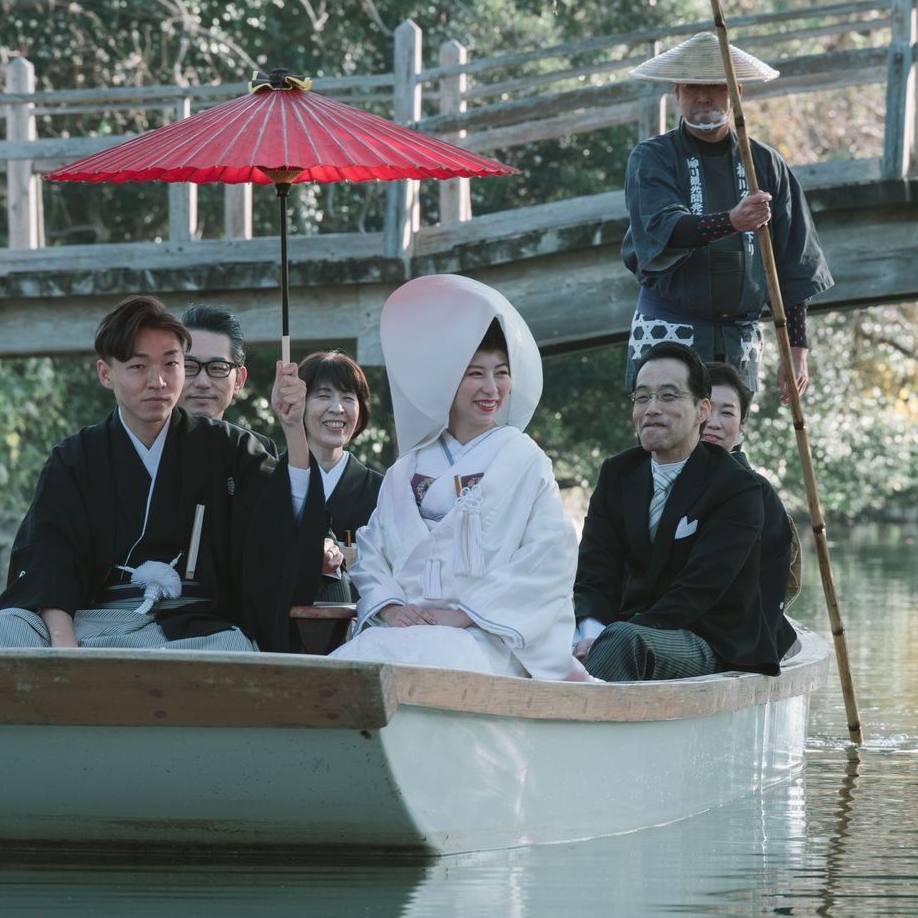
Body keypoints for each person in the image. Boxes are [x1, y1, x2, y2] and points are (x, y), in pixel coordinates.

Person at [0, 294, 323, 653]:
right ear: (106, 373)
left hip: (194, 630)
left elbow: (280, 526)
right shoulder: (75, 459)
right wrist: (64, 645)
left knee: (232, 647)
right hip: (92, 623)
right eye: (139, 367)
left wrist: (293, 428)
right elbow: (48, 560)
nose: (158, 381)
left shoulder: (230, 448)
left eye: (171, 364)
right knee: (3, 626)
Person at [330, 274, 588, 681]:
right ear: (447, 378)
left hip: (488, 635)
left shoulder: (524, 459)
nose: (492, 388)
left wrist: (466, 614)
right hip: (405, 630)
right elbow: (373, 553)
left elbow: (548, 558)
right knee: (351, 665)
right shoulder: (405, 469)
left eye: (501, 372)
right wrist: (392, 608)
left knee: (428, 663)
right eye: (475, 373)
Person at [622, 32, 833, 401]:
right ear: (677, 94)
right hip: (668, 328)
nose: (703, 98)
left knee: (727, 433)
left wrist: (796, 349)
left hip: (740, 338)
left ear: (736, 91)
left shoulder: (765, 163)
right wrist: (731, 222)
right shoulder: (652, 157)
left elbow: (795, 263)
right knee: (669, 428)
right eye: (692, 87)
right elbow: (665, 227)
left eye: (715, 87)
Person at [572, 342, 780, 681]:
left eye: (668, 396)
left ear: (702, 410)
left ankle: (572, 710)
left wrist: (610, 637)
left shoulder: (737, 487)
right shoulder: (617, 473)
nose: (651, 409)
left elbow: (698, 591)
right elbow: (596, 569)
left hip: (708, 639)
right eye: (642, 397)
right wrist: (591, 632)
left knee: (624, 641)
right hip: (623, 632)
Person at [703, 362, 800, 660]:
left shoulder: (753, 491)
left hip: (737, 638)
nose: (713, 423)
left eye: (727, 413)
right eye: (706, 410)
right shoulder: (666, 475)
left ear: (742, 425)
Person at [294, 349, 384, 605]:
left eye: (348, 397)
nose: (337, 408)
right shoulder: (270, 477)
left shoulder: (382, 491)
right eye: (323, 396)